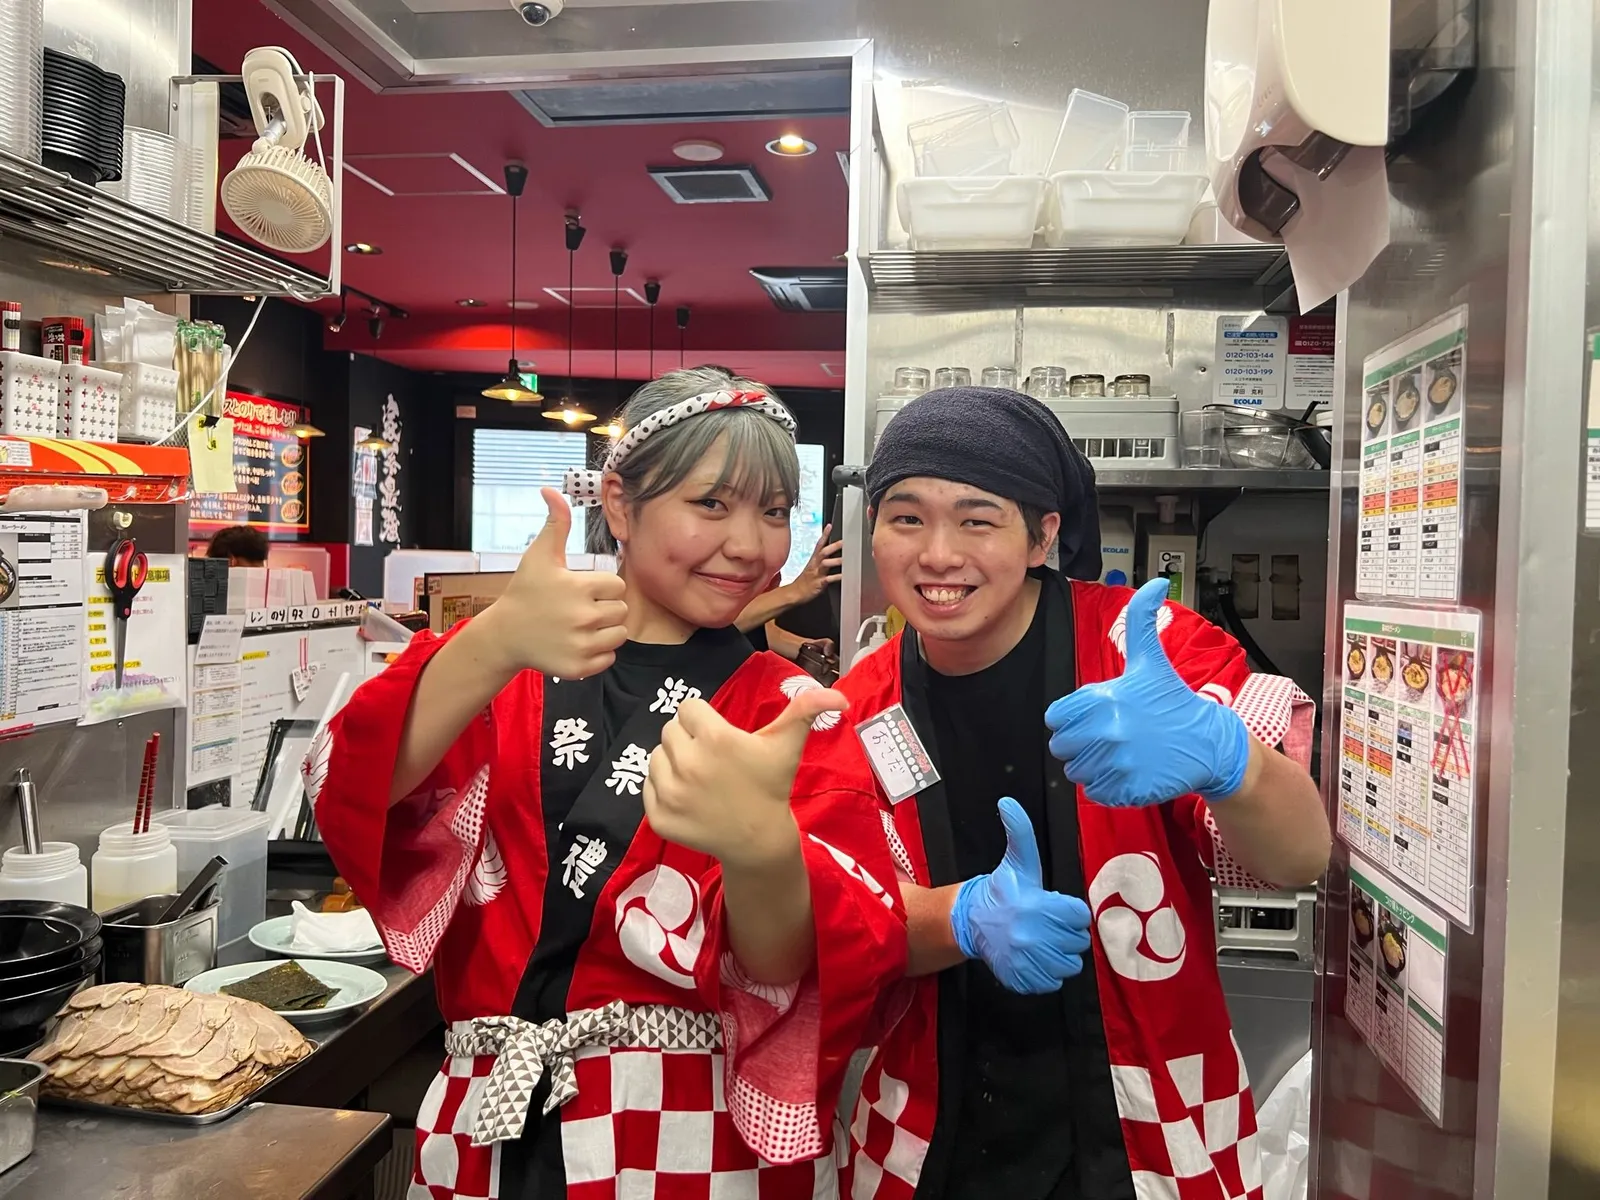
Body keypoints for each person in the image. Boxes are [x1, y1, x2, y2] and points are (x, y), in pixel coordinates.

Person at [306, 368, 905, 1200]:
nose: (751, 544)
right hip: (492, 1115)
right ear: (619, 504)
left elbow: (785, 965)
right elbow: (347, 792)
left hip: (696, 1133)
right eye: (712, 504)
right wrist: (492, 642)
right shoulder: (506, 665)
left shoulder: (788, 711)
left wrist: (760, 847)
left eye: (774, 511)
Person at [834, 386, 1330, 1200]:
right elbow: (851, 922)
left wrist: (1229, 759)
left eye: (977, 519)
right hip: (925, 1137)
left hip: (1160, 1129)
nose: (937, 553)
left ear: (1043, 535)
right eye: (906, 516)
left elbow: (1296, 858)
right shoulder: (859, 709)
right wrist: (958, 917)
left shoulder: (1150, 657)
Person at [736, 524, 844, 661]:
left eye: (776, 512)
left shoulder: (767, 568)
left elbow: (758, 625)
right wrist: (798, 589)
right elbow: (717, 622)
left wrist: (806, 648)